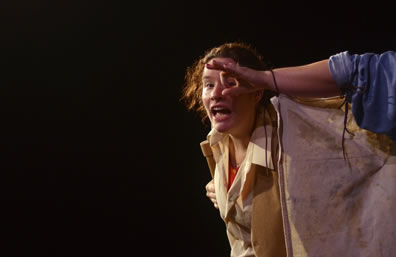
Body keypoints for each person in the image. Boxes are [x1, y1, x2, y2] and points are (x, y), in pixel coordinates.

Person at [182, 42, 395, 257]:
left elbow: (353, 74)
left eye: (230, 82)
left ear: (255, 92)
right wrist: (222, 188)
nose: (216, 94)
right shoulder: (217, 145)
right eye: (208, 85)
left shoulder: (292, 139)